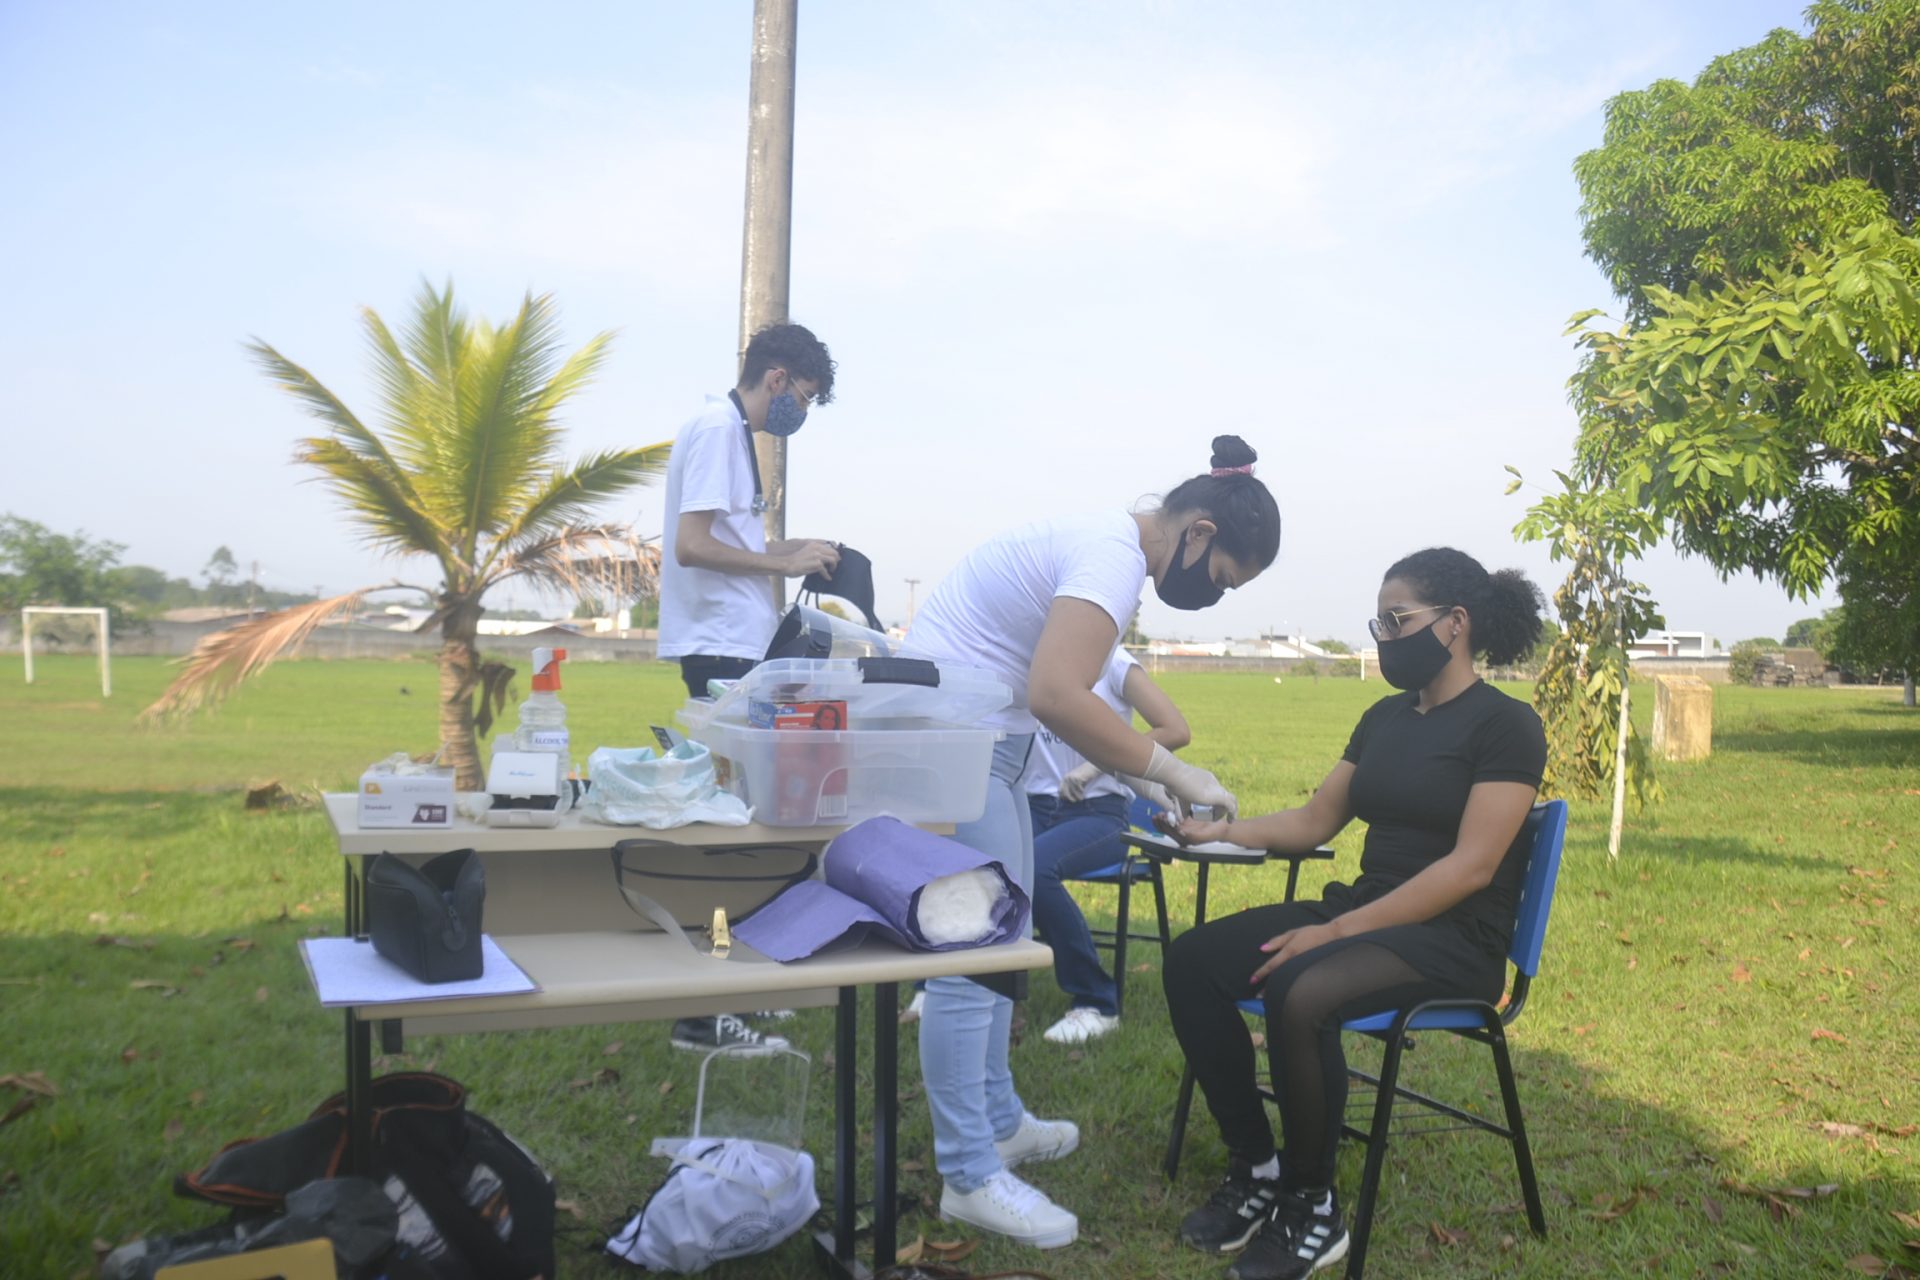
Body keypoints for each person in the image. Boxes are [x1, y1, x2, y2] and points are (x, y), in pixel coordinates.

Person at [903, 435, 1280, 1249]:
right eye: (1221, 578)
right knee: (969, 956)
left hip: (984, 746)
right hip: (954, 745)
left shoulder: (1111, 552)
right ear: (1201, 532)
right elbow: (1056, 694)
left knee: (1003, 939)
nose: (1212, 594)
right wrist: (1171, 771)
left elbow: (1055, 697)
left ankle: (998, 1122)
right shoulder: (1111, 555)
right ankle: (968, 1173)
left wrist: (1147, 784)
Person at [1161, 547, 1547, 1280]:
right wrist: (1223, 832)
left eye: (1397, 620)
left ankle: (1312, 1207)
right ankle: (1258, 1167)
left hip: (1453, 938)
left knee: (1301, 990)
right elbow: (1315, 820)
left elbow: (1472, 867)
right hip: (1370, 911)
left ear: (1456, 623)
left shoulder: (1507, 725)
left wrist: (1334, 931)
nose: (1385, 637)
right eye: (1379, 622)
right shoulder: (1383, 717)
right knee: (1192, 962)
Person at [655, 321, 841, 1055]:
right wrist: (778, 565)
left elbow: (728, 542)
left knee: (746, 819)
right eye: (806, 397)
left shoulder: (731, 434)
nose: (803, 411)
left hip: (734, 645)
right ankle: (704, 1009)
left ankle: (734, 983)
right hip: (719, 649)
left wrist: (794, 551)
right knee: (730, 830)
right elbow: (692, 545)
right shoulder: (715, 429)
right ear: (777, 378)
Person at [1022, 645, 1190, 1044]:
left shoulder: (1114, 663)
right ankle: (973, 989)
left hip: (1098, 813)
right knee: (982, 865)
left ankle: (1096, 1001)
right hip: (1030, 804)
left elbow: (1175, 729)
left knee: (1034, 870)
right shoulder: (1028, 654)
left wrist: (1096, 765)